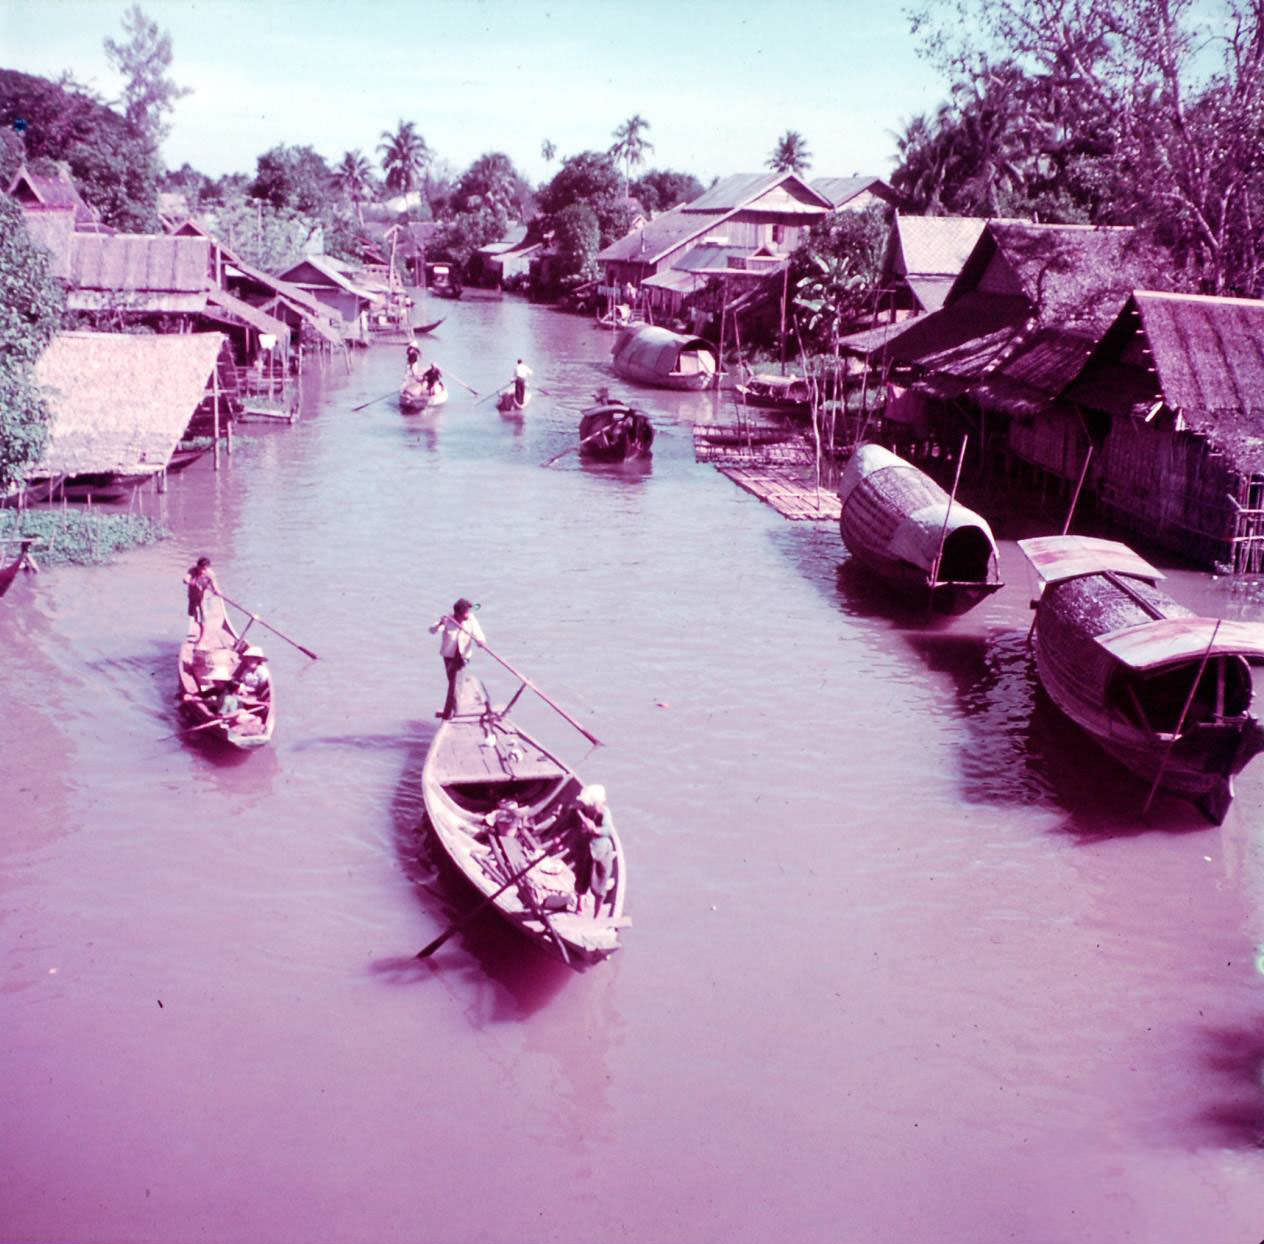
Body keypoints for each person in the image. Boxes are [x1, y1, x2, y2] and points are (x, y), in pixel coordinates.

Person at [428, 598, 486, 719]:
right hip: (449, 656)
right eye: (466, 612)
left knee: (455, 684)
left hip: (463, 657)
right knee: (453, 683)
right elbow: (432, 631)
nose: (468, 614)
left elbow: (478, 633)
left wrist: (481, 642)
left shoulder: (471, 620)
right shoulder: (448, 620)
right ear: (458, 613)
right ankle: (452, 710)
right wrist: (440, 624)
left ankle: (450, 713)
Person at [573, 784, 616, 908]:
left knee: (600, 884)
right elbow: (569, 819)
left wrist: (595, 830)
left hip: (600, 853)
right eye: (597, 803)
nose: (600, 806)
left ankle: (597, 915)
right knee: (581, 878)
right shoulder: (582, 809)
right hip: (585, 850)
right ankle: (579, 906)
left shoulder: (604, 813)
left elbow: (608, 831)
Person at [183, 556, 218, 648]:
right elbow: (185, 579)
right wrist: (192, 583)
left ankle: (202, 639)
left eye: (205, 569)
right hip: (193, 597)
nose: (203, 571)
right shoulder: (192, 570)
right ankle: (200, 634)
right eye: (201, 569)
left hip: (204, 599)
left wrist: (217, 591)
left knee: (203, 619)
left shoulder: (210, 574)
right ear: (197, 566)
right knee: (194, 617)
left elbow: (215, 586)